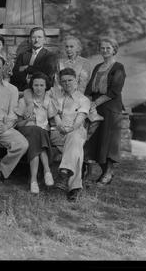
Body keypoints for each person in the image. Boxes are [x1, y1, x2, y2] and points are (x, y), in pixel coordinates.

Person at [84, 37, 126, 185]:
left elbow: (114, 91)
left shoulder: (118, 67)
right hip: (96, 106)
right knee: (95, 139)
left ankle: (108, 173)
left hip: (110, 108)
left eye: (108, 48)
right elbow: (89, 88)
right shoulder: (97, 67)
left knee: (107, 141)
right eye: (102, 48)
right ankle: (99, 172)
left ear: (114, 49)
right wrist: (87, 102)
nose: (105, 50)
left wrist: (95, 102)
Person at [14, 72, 56, 193]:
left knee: (37, 135)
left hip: (41, 135)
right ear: (31, 86)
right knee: (37, 131)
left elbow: (52, 122)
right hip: (25, 131)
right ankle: (47, 171)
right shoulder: (24, 101)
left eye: (41, 85)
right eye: (36, 85)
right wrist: (27, 119)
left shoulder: (49, 101)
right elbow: (18, 124)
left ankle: (33, 181)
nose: (38, 88)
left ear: (46, 86)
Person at [53, 68, 91, 201]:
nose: (67, 83)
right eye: (63, 81)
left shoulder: (83, 99)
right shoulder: (56, 97)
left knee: (74, 138)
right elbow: (55, 115)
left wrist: (70, 129)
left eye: (70, 80)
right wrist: (60, 126)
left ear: (76, 81)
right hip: (58, 131)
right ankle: (74, 186)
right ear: (60, 82)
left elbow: (79, 120)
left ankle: (64, 175)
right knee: (76, 149)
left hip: (76, 130)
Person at [10, 26, 58, 92]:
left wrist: (27, 68)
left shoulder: (50, 56)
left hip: (41, 91)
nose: (36, 40)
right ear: (30, 39)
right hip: (22, 90)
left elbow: (48, 76)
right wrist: (26, 80)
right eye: (34, 37)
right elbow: (15, 73)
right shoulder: (23, 55)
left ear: (44, 40)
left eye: (39, 37)